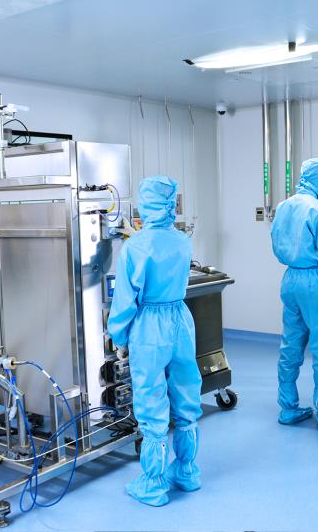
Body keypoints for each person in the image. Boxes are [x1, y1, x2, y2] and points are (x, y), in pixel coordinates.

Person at [107, 175, 202, 506]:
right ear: (171, 204)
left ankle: (153, 484)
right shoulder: (182, 241)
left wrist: (118, 336)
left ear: (144, 205)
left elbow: (125, 301)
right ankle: (187, 471)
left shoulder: (135, 247)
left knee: (151, 400)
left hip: (150, 325)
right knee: (186, 394)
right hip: (180, 320)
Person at [270, 158, 318, 428]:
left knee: (291, 343)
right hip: (316, 282)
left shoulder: (283, 206)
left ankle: (287, 408)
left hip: (291, 279)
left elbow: (276, 244)